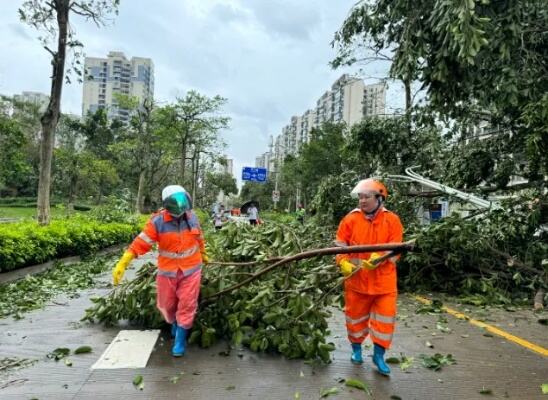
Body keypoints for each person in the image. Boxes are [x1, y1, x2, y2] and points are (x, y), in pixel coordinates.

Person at [111, 185, 208, 357]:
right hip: (168, 270)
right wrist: (124, 261)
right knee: (166, 304)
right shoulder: (158, 222)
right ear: (167, 205)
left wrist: (204, 254)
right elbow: (141, 242)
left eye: (182, 202)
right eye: (175, 203)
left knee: (187, 303)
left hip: (191, 269)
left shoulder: (192, 218)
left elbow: (199, 238)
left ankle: (180, 338)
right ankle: (174, 323)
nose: (179, 206)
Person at [334, 178, 403, 375]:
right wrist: (342, 262)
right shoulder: (350, 220)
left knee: (384, 321)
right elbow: (339, 246)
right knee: (355, 319)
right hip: (357, 282)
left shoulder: (392, 220)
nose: (362, 201)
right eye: (360, 197)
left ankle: (379, 356)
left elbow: (396, 249)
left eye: (366, 197)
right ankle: (356, 351)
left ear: (379, 198)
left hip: (384, 284)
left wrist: (380, 258)